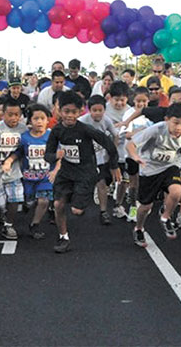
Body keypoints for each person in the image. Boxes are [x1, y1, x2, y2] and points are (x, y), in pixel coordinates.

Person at [45, 91, 120, 253]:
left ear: (80, 112)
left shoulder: (86, 129)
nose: (70, 116)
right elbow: (47, 155)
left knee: (77, 211)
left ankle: (79, 197)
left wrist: (114, 166)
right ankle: (63, 237)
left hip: (85, 172)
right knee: (58, 204)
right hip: (66, 172)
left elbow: (109, 144)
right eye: (66, 112)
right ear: (60, 111)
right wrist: (55, 156)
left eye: (74, 112)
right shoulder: (57, 131)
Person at [126, 103, 181, 245]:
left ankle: (165, 218)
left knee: (176, 191)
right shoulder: (156, 130)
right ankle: (139, 228)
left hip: (170, 166)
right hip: (149, 169)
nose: (179, 128)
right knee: (145, 207)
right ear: (167, 119)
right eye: (175, 123)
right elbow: (130, 144)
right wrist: (135, 156)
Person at [0, 99, 27, 240]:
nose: (13, 118)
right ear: (3, 114)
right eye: (10, 114)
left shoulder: (23, 129)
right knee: (1, 203)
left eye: (16, 114)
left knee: (15, 199)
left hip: (13, 170)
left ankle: (9, 225)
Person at [13, 104, 57, 239]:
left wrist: (55, 171)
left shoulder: (52, 136)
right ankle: (27, 205)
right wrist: (9, 161)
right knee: (30, 201)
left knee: (43, 201)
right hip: (28, 177)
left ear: (48, 120)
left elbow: (60, 155)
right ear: (30, 121)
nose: (39, 122)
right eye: (36, 118)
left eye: (42, 118)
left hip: (46, 176)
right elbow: (18, 153)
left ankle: (35, 224)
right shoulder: (24, 137)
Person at [79, 95, 118, 225]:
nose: (97, 113)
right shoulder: (82, 121)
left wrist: (112, 150)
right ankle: (80, 205)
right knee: (83, 185)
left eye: (100, 110)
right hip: (85, 159)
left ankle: (103, 211)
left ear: (104, 110)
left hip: (101, 158)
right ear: (89, 110)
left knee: (102, 184)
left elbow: (115, 135)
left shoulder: (107, 121)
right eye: (94, 110)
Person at [103, 81, 134, 219]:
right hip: (106, 150)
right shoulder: (104, 109)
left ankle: (118, 204)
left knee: (124, 180)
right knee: (106, 178)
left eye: (122, 100)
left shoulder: (131, 111)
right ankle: (103, 201)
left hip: (124, 149)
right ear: (110, 97)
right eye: (116, 100)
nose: (119, 103)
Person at [121, 87, 152, 222]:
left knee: (145, 182)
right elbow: (125, 134)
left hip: (148, 154)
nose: (141, 104)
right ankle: (133, 206)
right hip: (132, 154)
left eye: (144, 101)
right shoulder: (129, 113)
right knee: (133, 182)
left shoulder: (151, 113)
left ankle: (142, 204)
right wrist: (139, 131)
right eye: (138, 101)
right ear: (133, 100)